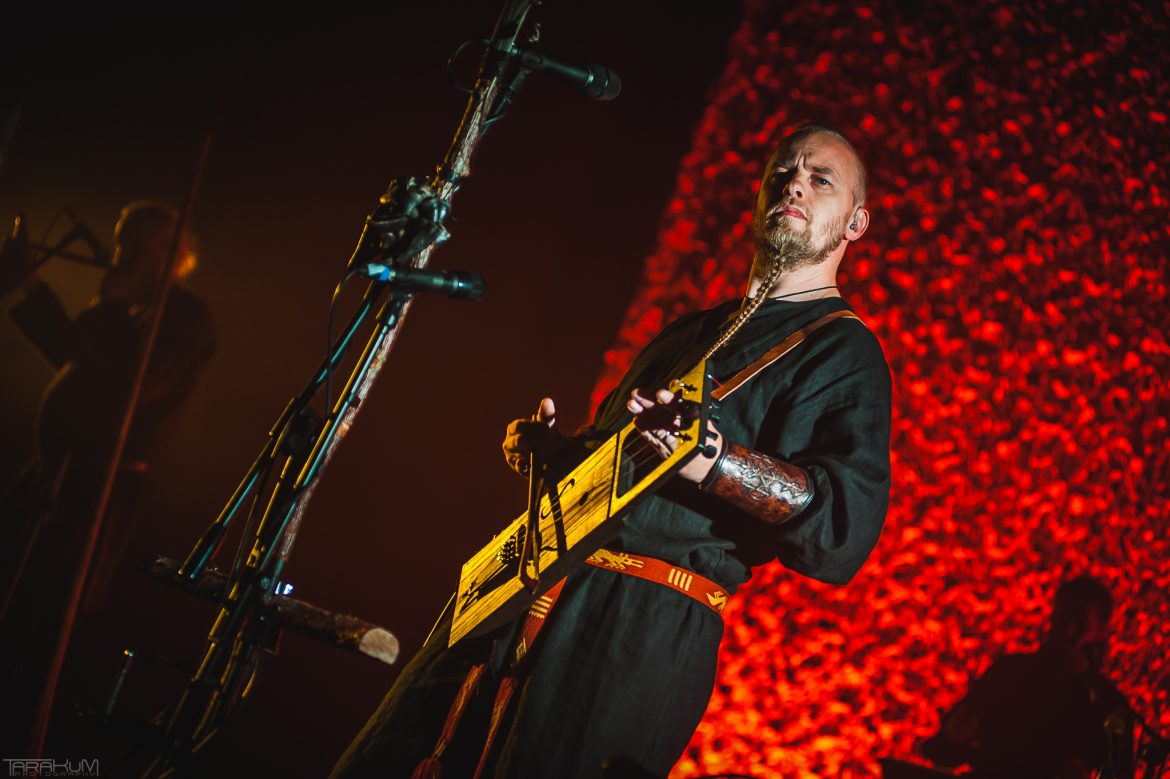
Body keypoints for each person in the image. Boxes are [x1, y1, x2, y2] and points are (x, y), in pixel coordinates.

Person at [332, 124, 892, 779]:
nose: (794, 184)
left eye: (820, 179)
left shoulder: (843, 350)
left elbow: (842, 529)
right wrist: (557, 456)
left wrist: (713, 460)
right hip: (527, 578)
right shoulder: (691, 329)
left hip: (633, 627)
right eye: (782, 173)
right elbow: (618, 469)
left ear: (856, 222)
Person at [0, 201, 214, 755]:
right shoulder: (136, 311)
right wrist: (31, 284)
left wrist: (111, 308)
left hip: (97, 490)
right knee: (16, 600)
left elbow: (132, 385)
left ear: (167, 254)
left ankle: (28, 750)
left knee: (52, 617)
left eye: (132, 246)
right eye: (120, 243)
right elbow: (72, 355)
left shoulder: (184, 317)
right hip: (59, 476)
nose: (119, 257)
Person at [922, 575, 1135, 779]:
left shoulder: (1109, 705)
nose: (1068, 630)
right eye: (1063, 617)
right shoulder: (1007, 674)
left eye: (1080, 623)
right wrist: (954, 738)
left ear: (1100, 631)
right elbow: (944, 753)